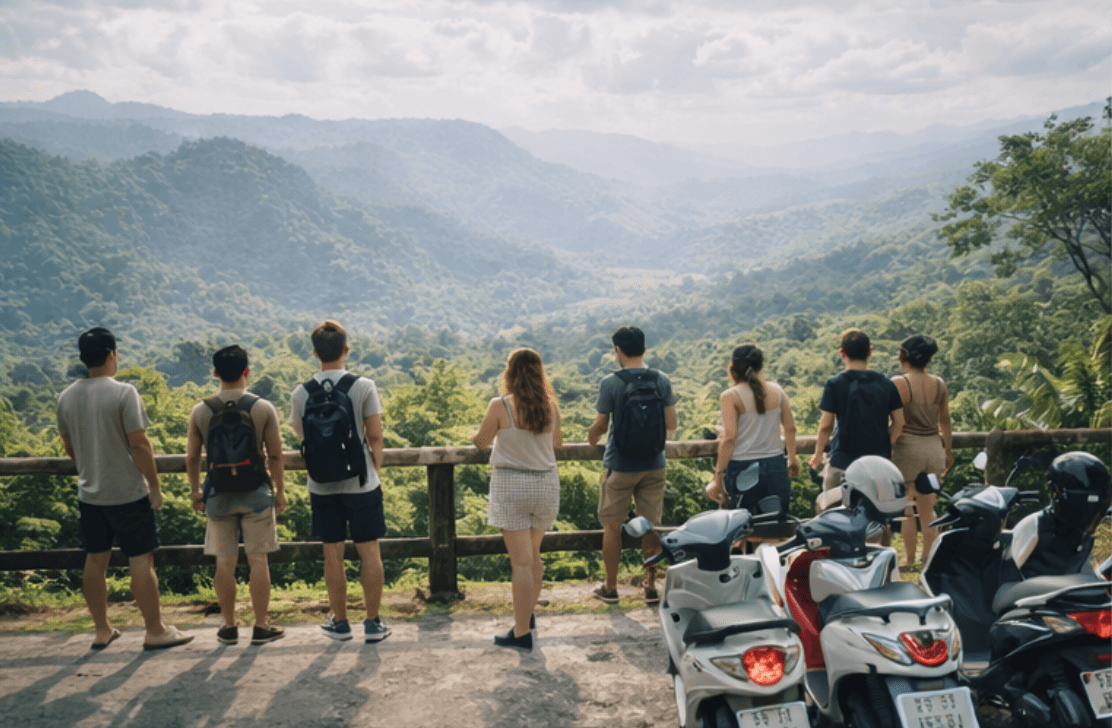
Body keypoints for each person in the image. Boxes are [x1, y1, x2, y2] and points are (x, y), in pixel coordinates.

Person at [56, 327, 193, 651]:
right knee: (140, 560)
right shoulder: (123, 393)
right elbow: (140, 445)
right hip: (129, 492)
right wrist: (155, 487)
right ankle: (155, 630)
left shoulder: (66, 397)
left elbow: (69, 446)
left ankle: (102, 630)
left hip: (90, 493)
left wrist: (89, 467)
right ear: (112, 354)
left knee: (95, 560)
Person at [288, 320, 389, 643]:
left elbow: (301, 435)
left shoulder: (301, 392)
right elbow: (375, 435)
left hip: (321, 484)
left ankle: (340, 622)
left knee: (332, 554)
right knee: (369, 552)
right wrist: (376, 469)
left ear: (315, 353)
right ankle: (372, 623)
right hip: (361, 482)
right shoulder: (363, 386)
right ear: (347, 348)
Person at [185, 345, 287, 645]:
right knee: (258, 560)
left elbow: (192, 457)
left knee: (224, 563)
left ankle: (229, 626)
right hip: (256, 491)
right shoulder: (263, 408)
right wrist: (280, 492)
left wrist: (195, 492)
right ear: (247, 371)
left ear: (215, 372)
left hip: (217, 495)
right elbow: (276, 456)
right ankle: (261, 625)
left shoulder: (201, 410)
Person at [471, 348, 562, 651]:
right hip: (546, 485)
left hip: (512, 486)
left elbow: (481, 441)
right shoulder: (550, 407)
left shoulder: (500, 406)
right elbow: (556, 443)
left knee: (521, 563)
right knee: (534, 557)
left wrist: (480, 435)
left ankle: (521, 632)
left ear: (509, 373)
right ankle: (528, 612)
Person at [587, 326, 678, 604]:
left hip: (620, 464)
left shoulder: (610, 382)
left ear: (618, 350)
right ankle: (650, 587)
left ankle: (611, 588)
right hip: (654, 464)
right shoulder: (661, 380)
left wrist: (591, 439)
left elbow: (601, 426)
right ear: (644, 349)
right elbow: (672, 425)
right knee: (650, 525)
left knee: (612, 526)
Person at [809, 329, 905, 513]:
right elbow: (900, 422)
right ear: (870, 351)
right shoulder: (886, 383)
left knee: (831, 514)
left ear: (842, 353)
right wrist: (886, 445)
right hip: (877, 464)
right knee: (876, 516)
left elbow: (826, 425)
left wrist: (818, 453)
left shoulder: (834, 383)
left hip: (842, 463)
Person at [707, 344, 800, 522]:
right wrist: (793, 459)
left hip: (744, 468)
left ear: (732, 367)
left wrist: (718, 477)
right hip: (775, 465)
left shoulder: (730, 396)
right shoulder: (777, 391)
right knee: (773, 526)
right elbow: (790, 429)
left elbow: (729, 438)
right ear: (761, 366)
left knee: (743, 526)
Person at [890, 335, 952, 565]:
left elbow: (897, 423)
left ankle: (908, 561)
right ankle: (928, 559)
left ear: (904, 357)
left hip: (907, 449)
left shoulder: (899, 383)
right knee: (928, 510)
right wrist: (948, 451)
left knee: (907, 510)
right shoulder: (939, 383)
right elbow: (944, 421)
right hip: (933, 448)